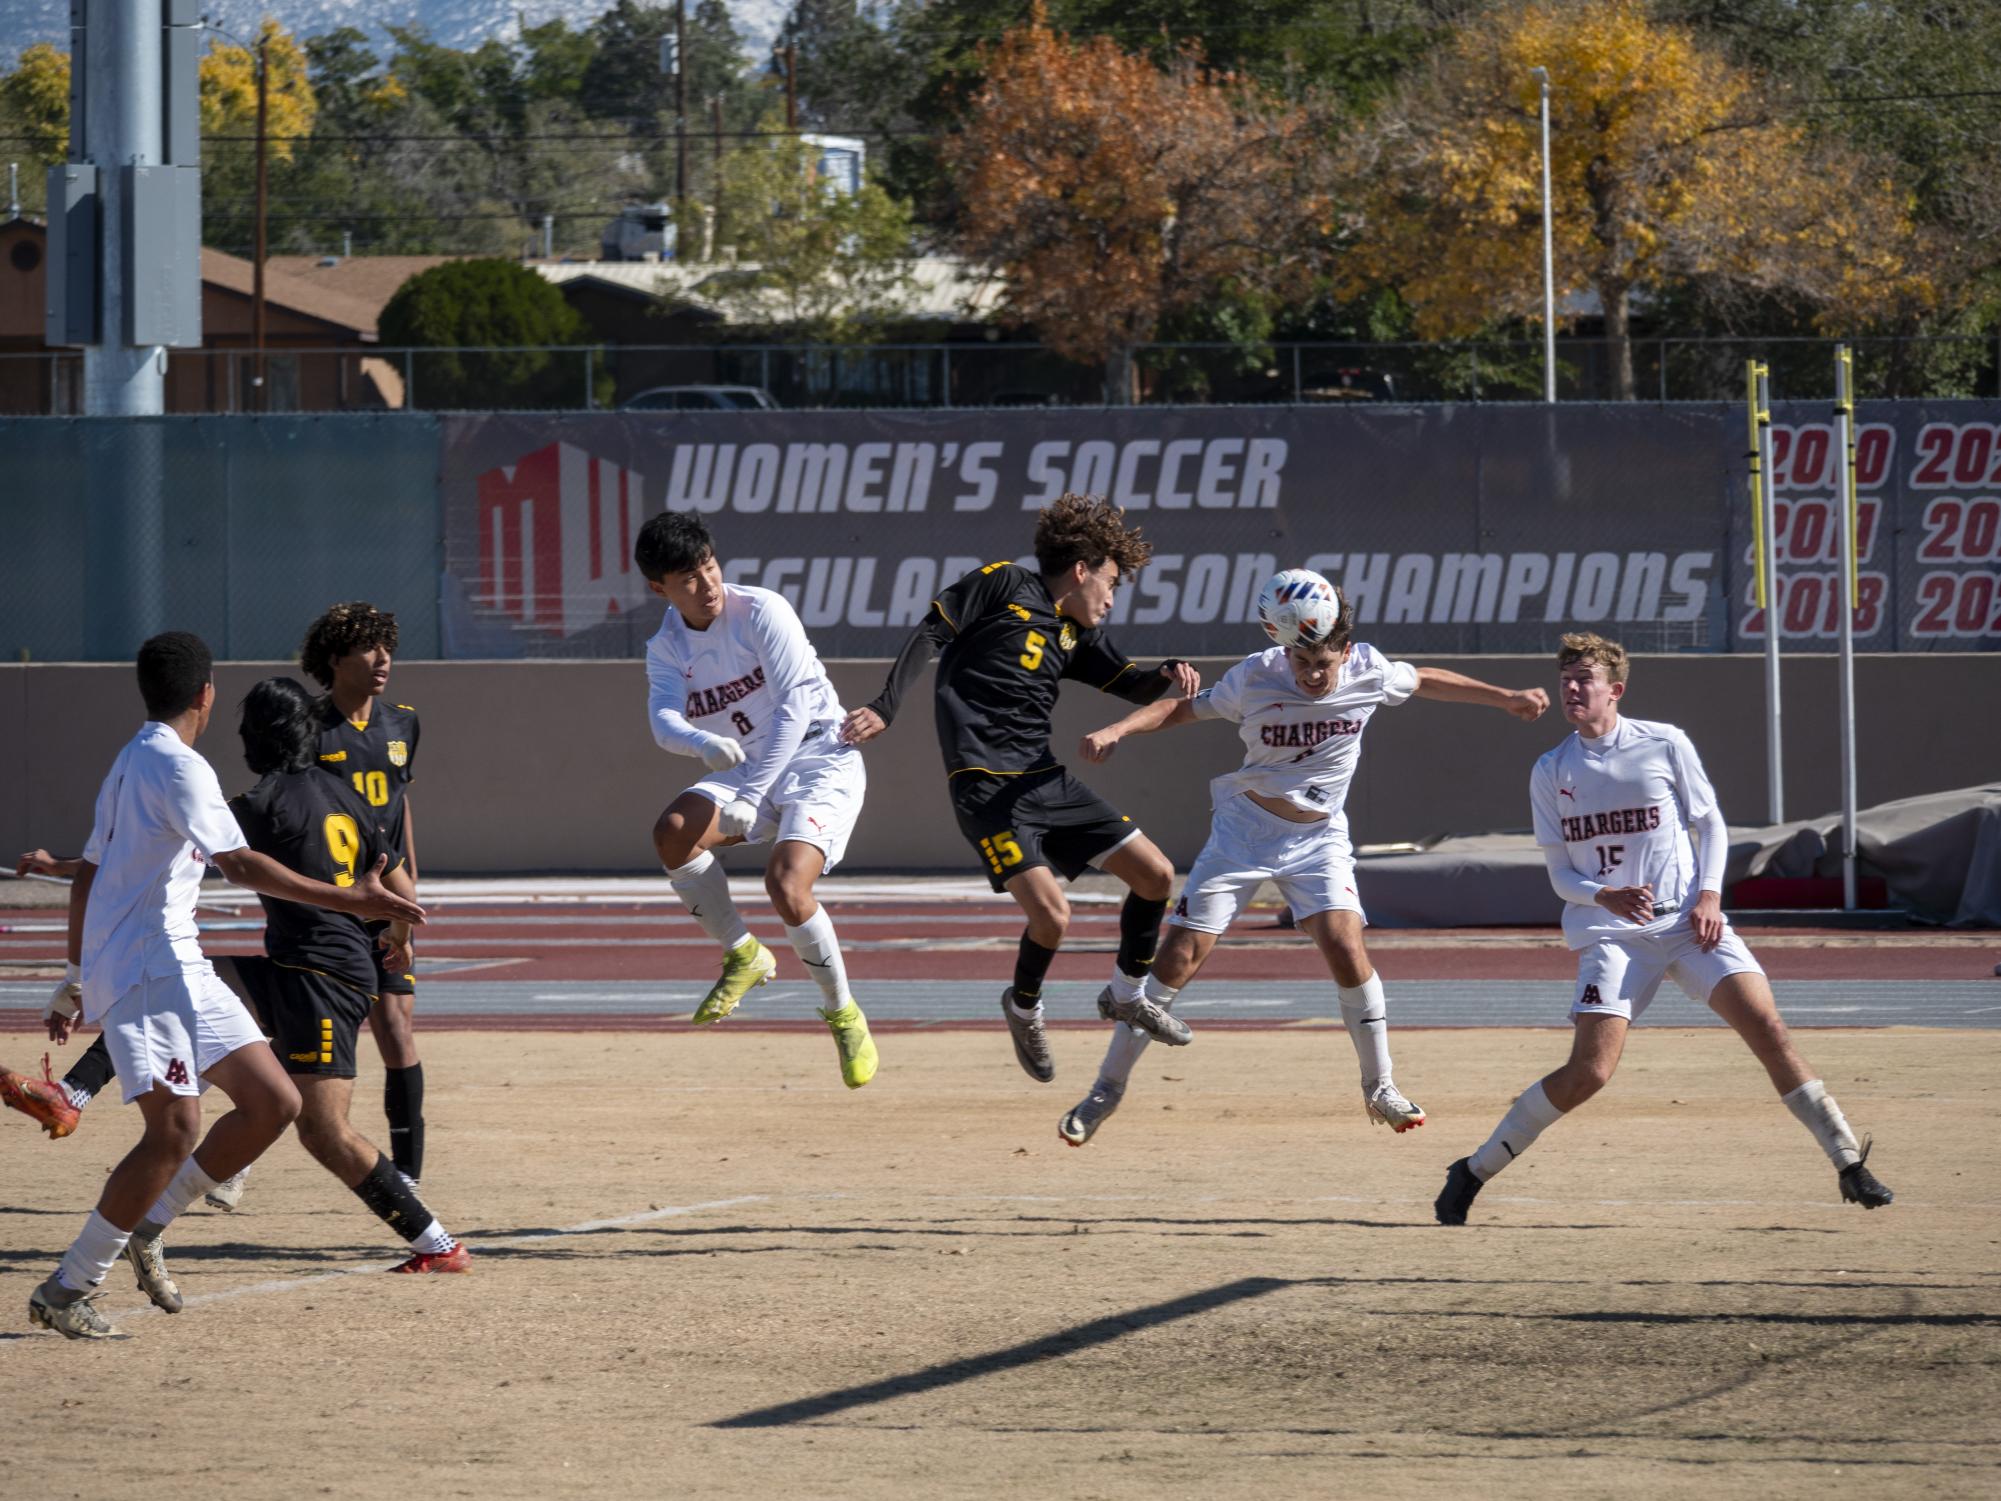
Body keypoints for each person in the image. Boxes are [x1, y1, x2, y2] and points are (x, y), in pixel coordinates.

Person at [1060, 569, 1549, 1146]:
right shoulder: (1256, 676)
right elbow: (1182, 710)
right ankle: (1106, 1089)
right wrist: (1118, 729)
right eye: (1301, 663)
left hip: (1318, 840)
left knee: (1346, 945)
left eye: (1323, 664)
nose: (1313, 675)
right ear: (1283, 650)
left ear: (1345, 649)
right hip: (1244, 832)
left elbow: (1427, 681)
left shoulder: (1370, 668)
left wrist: (1506, 698)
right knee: (1178, 957)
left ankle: (1381, 1086)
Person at [29, 632, 423, 1339]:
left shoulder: (130, 759)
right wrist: (355, 901)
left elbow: (90, 871)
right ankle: (68, 1285)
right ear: (204, 693)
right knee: (175, 1129)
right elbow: (241, 865)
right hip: (149, 968)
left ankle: (149, 1226)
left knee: (274, 1102)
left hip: (180, 965)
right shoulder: (178, 766)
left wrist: (71, 975)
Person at [1433, 631, 1894, 1226]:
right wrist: (1606, 895)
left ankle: (1849, 1162)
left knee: (1768, 1028)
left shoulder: (1664, 743)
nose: (1572, 690)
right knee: (1589, 1074)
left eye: (1585, 680)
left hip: (1687, 921)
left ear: (1615, 690)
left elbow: (1712, 826)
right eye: (1565, 679)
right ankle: (1472, 1171)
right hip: (1611, 932)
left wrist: (1709, 895)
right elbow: (1560, 875)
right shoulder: (1551, 770)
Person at [840, 493, 1201, 1082]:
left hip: (1044, 780)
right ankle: (1024, 1004)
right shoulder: (1003, 583)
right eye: (1110, 581)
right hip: (986, 789)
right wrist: (885, 705)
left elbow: (1132, 686)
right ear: (1081, 570)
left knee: (1157, 875)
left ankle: (1128, 994)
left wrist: (1164, 673)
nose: (1112, 598)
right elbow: (932, 633)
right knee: (1053, 917)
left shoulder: (1074, 633)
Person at [222, 676, 469, 1273]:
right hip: (313, 965)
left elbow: (212, 860)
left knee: (323, 1130)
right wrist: (399, 940)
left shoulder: (256, 807)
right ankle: (75, 1092)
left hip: (321, 975)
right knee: (189, 983)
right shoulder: (342, 791)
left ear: (255, 736)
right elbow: (397, 883)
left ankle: (434, 1243)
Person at [637, 512, 878, 1087]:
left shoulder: (762, 611)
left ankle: (844, 1013)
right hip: (745, 765)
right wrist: (701, 741)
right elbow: (663, 720)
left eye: (710, 567)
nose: (708, 585)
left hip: (820, 757)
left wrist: (752, 790)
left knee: (787, 884)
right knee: (673, 831)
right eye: (689, 578)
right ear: (659, 589)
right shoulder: (666, 646)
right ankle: (743, 953)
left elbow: (795, 711)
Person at [300, 602, 427, 1185]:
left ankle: (409, 1178)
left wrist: (410, 895)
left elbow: (401, 812)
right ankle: (243, 1143)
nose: (382, 660)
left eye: (387, 647)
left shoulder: (404, 722)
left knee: (397, 1026)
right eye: (367, 649)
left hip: (387, 901)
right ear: (334, 659)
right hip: (333, 903)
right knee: (318, 1039)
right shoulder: (307, 727)